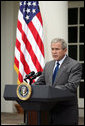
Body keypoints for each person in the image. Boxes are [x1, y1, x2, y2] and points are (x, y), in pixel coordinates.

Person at [34, 38, 82, 125]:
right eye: (52, 49)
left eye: (57, 49)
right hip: (47, 111)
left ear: (65, 50)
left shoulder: (74, 65)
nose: (54, 52)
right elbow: (41, 81)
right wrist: (31, 88)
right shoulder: (48, 65)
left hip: (65, 112)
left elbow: (72, 86)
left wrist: (51, 90)